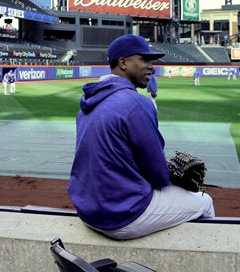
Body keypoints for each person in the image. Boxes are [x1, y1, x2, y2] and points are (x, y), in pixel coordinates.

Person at [68, 34, 215, 240]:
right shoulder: (137, 103)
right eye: (144, 59)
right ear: (123, 63)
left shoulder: (88, 103)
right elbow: (158, 174)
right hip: (121, 215)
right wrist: (171, 177)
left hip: (87, 210)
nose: (151, 67)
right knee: (204, 202)